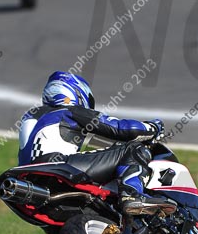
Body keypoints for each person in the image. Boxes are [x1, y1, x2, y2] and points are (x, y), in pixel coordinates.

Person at [18, 71, 171, 216]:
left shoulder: (32, 116)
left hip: (29, 180)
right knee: (133, 149)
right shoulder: (70, 111)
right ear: (76, 93)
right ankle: (132, 195)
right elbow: (121, 129)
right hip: (57, 165)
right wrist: (153, 127)